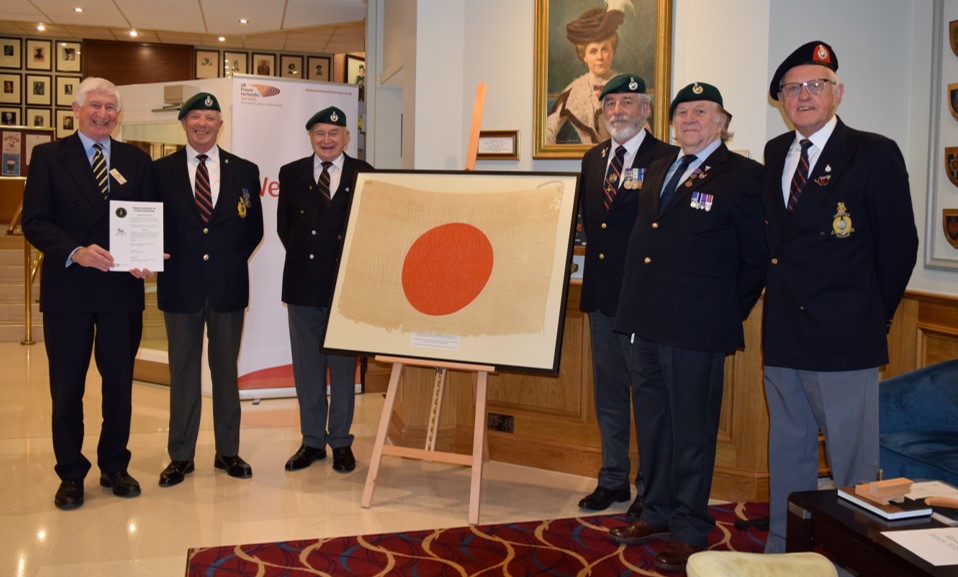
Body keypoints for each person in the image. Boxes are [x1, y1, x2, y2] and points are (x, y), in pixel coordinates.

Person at [762, 41, 918, 554]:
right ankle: (787, 549)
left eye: (815, 85)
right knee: (789, 453)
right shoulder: (773, 154)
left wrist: (874, 318)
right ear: (780, 99)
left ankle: (853, 557)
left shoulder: (873, 152)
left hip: (845, 337)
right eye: (793, 88)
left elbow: (899, 247)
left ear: (838, 93)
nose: (803, 95)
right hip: (785, 332)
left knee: (852, 466)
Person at [608, 82, 766, 571]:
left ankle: (691, 527)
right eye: (682, 113)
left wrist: (721, 310)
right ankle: (653, 511)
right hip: (645, 322)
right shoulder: (658, 168)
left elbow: (755, 260)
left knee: (693, 432)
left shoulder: (743, 175)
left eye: (702, 111)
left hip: (697, 329)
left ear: (722, 121)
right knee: (653, 425)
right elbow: (647, 240)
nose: (690, 120)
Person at [22, 76, 157, 510]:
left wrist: (146, 256)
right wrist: (75, 251)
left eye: (111, 107)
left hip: (121, 291)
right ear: (76, 110)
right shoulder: (47, 157)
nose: (103, 114)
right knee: (67, 387)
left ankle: (115, 465)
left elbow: (148, 219)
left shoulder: (137, 160)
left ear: (119, 115)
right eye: (95, 105)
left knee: (119, 384)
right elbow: (36, 221)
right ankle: (71, 473)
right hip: (69, 291)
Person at [576, 73, 677, 515]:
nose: (618, 110)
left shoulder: (669, 158)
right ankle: (613, 478)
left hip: (646, 302)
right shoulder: (593, 158)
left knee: (650, 398)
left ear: (646, 109)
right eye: (611, 103)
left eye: (628, 102)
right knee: (609, 394)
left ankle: (649, 488)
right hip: (601, 298)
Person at [154, 92, 264, 487]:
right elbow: (150, 223)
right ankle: (181, 456)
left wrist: (226, 261)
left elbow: (254, 229)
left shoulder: (245, 170)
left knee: (225, 372)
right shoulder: (159, 170)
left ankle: (227, 452)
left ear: (221, 124)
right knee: (182, 373)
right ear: (183, 124)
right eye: (195, 116)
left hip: (227, 288)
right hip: (179, 287)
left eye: (211, 117)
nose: (203, 123)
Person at [278, 106, 372, 474]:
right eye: (320, 133)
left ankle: (341, 442)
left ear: (347, 137)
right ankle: (312, 441)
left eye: (334, 133)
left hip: (346, 288)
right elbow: (286, 229)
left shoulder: (364, 174)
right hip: (303, 283)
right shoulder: (292, 174)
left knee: (344, 369)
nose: (327, 140)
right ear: (311, 137)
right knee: (308, 370)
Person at [545, 0, 632, 145]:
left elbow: (643, 129)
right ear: (583, 56)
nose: (600, 57)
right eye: (593, 51)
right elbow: (549, 127)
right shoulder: (575, 90)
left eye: (604, 49)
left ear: (612, 52)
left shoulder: (625, 84)